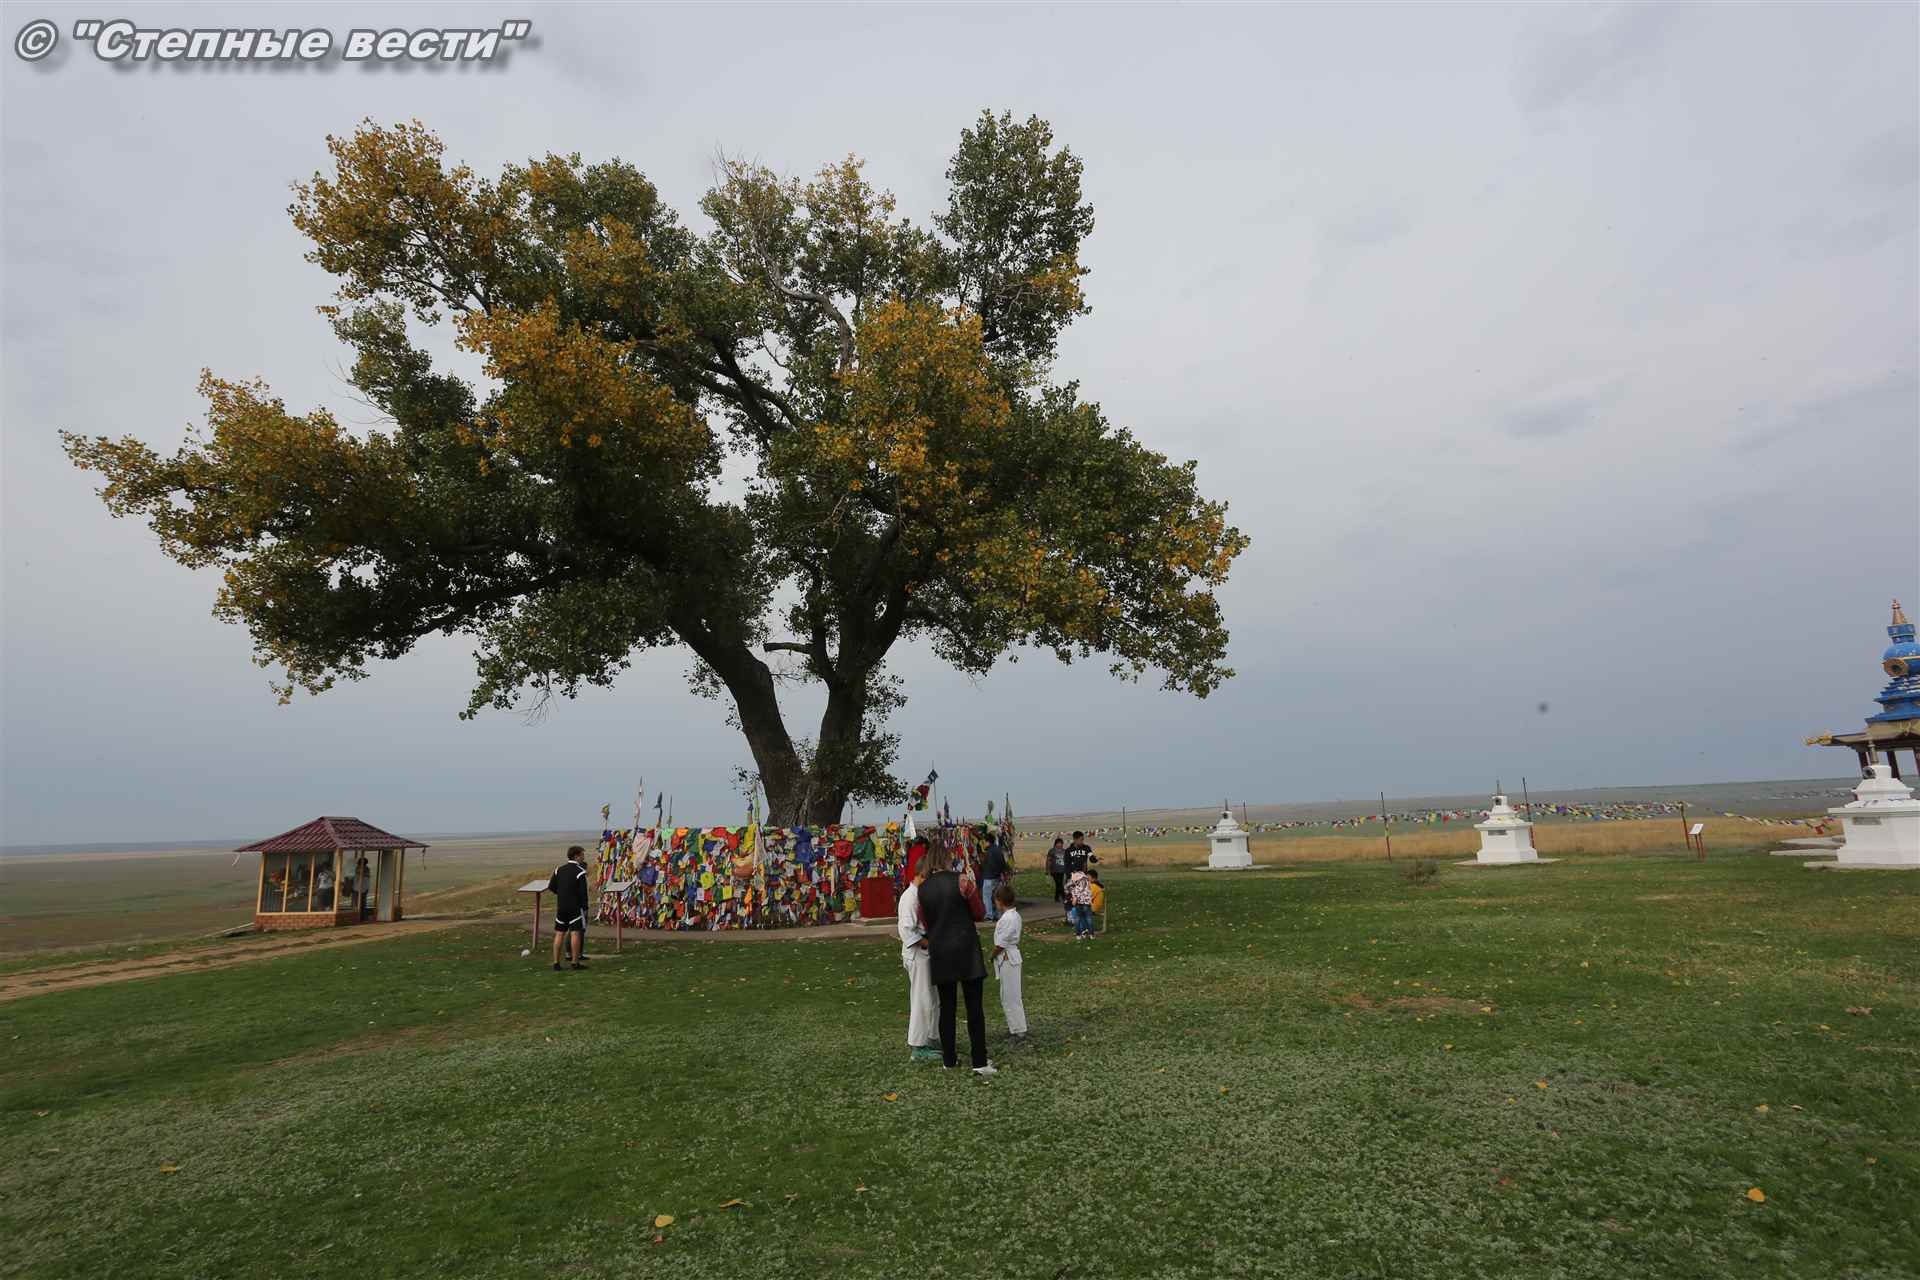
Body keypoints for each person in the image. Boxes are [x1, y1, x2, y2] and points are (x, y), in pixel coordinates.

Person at [917, 843, 995, 1074]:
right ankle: (979, 1061)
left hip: (940, 950)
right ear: (948, 859)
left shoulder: (922, 889)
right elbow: (979, 912)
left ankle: (949, 1060)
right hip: (965, 947)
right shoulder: (962, 881)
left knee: (947, 1007)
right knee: (974, 1006)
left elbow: (924, 921)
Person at [896, 857, 940, 1062]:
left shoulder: (920, 895)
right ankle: (917, 1045)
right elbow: (907, 932)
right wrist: (929, 943)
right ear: (922, 876)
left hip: (927, 952)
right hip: (917, 953)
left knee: (933, 998)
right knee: (921, 999)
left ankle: (932, 1036)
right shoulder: (910, 898)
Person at [988, 883, 1026, 1042]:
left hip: (1008, 957)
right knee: (1008, 995)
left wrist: (992, 955)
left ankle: (1018, 1030)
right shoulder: (1012, 916)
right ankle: (1015, 1027)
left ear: (999, 901)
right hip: (1008, 957)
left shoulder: (1009, 918)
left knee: (1011, 996)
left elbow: (1001, 943)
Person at [550, 845, 591, 971]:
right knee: (575, 933)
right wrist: (585, 908)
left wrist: (562, 894)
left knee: (559, 933)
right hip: (575, 907)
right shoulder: (580, 872)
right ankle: (575, 962)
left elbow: (552, 887)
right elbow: (583, 893)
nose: (583, 857)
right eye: (582, 855)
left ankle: (556, 963)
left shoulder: (558, 869)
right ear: (576, 856)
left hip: (561, 906)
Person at [980, 836, 1011, 923]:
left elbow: (986, 864)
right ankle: (999, 915)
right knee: (997, 896)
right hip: (997, 877)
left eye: (984, 842)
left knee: (986, 896)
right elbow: (1003, 863)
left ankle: (989, 915)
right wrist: (1002, 872)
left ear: (988, 842)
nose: (984, 844)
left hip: (988, 876)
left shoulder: (988, 852)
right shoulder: (998, 850)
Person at [1066, 866, 1095, 940]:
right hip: (1086, 901)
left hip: (1078, 902)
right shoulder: (1086, 878)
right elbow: (1089, 890)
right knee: (1089, 918)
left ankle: (1078, 934)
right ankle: (1091, 934)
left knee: (1078, 919)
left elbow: (1070, 887)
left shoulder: (1075, 877)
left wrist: (1074, 897)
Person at [1045, 837, 1066, 905]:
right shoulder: (1052, 851)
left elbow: (1067, 860)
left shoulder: (1064, 851)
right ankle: (1064, 897)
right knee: (1059, 883)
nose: (1060, 845)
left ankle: (1056, 897)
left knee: (1059, 884)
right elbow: (1048, 860)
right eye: (1058, 843)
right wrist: (1047, 869)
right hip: (1054, 870)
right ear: (1055, 844)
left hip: (1062, 870)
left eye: (1061, 843)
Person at [1087, 868, 1106, 934]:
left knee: (1077, 910)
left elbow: (1088, 897)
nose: (1087, 878)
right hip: (1096, 905)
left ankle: (1085, 929)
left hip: (1094, 907)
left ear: (1093, 877)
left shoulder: (1094, 886)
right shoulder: (1098, 885)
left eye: (1088, 877)